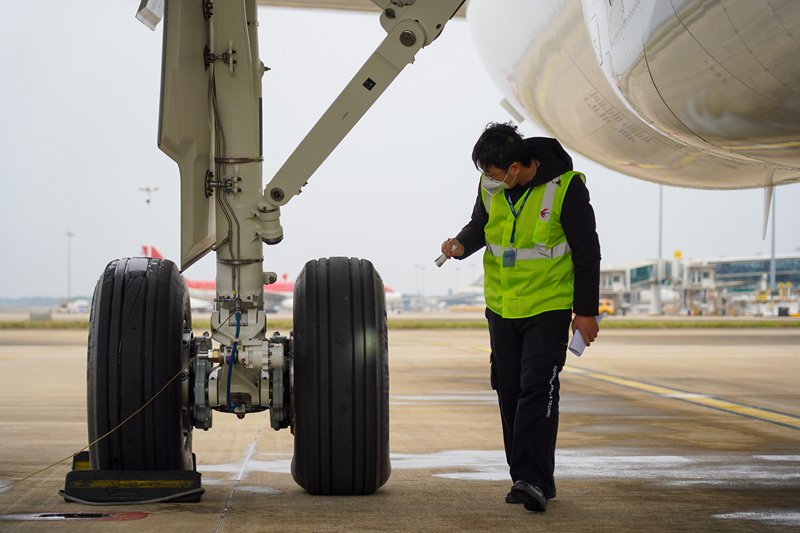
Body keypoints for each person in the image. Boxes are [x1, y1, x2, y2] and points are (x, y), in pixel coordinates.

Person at [441, 122, 600, 512]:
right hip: (502, 306)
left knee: (537, 387)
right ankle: (529, 477)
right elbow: (482, 225)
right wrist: (461, 244)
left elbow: (586, 251)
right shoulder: (493, 187)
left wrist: (587, 312)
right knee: (509, 389)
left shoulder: (565, 187)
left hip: (548, 306)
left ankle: (532, 479)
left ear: (515, 167)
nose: (488, 181)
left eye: (494, 173)